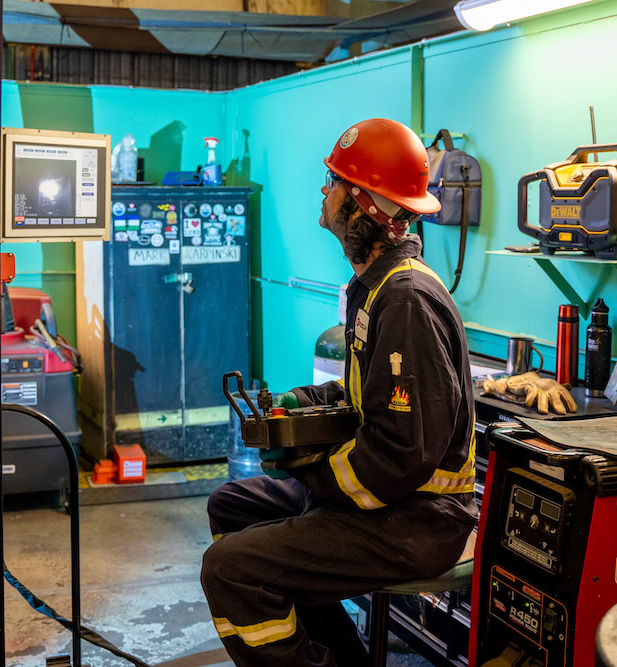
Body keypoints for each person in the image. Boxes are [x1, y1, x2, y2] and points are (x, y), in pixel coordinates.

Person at [201, 118, 477, 667]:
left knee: (231, 568)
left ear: (364, 205)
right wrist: (307, 404)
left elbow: (399, 454)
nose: (324, 193)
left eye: (333, 182)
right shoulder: (375, 286)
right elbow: (367, 398)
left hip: (417, 520)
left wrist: (313, 479)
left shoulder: (404, 299)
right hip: (393, 504)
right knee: (232, 505)